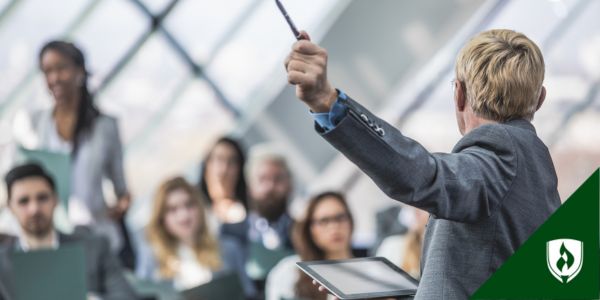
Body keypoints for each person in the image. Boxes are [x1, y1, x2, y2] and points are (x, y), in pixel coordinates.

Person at [285, 29, 561, 298]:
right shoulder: (536, 172)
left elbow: (422, 176)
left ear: (459, 94)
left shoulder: (502, 154)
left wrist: (327, 102)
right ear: (539, 100)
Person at [3, 40, 134, 267]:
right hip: (50, 240)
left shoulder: (105, 127)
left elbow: (121, 188)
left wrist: (121, 203)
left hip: (96, 235)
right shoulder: (32, 123)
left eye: (61, 68)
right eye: (47, 71)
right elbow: (16, 180)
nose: (54, 78)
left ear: (80, 71)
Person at [0, 163, 137, 300]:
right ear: (10, 207)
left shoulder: (94, 248)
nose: (34, 209)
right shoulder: (2, 267)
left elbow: (126, 296)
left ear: (55, 200)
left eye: (42, 198)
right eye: (23, 201)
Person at [136, 176, 254, 296]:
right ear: (161, 218)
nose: (184, 216)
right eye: (173, 209)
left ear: (199, 207)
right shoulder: (152, 259)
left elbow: (247, 293)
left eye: (189, 205)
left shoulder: (229, 249)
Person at [265, 191, 354, 300]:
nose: (334, 227)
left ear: (350, 222)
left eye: (340, 218)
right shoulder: (289, 271)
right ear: (310, 229)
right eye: (324, 221)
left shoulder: (367, 272)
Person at [198, 137, 248, 226]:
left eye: (232, 162)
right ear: (207, 164)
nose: (224, 169)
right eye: (219, 159)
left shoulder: (250, 211)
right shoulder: (195, 212)